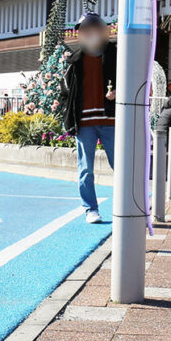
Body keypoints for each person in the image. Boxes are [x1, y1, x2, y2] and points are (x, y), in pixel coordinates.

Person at [61, 12, 117, 223]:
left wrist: (117, 92)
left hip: (111, 120)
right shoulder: (74, 60)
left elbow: (131, 80)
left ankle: (126, 205)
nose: (90, 34)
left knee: (120, 167)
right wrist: (69, 115)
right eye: (85, 30)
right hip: (85, 123)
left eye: (94, 29)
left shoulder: (115, 54)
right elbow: (65, 93)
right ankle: (90, 209)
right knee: (85, 169)